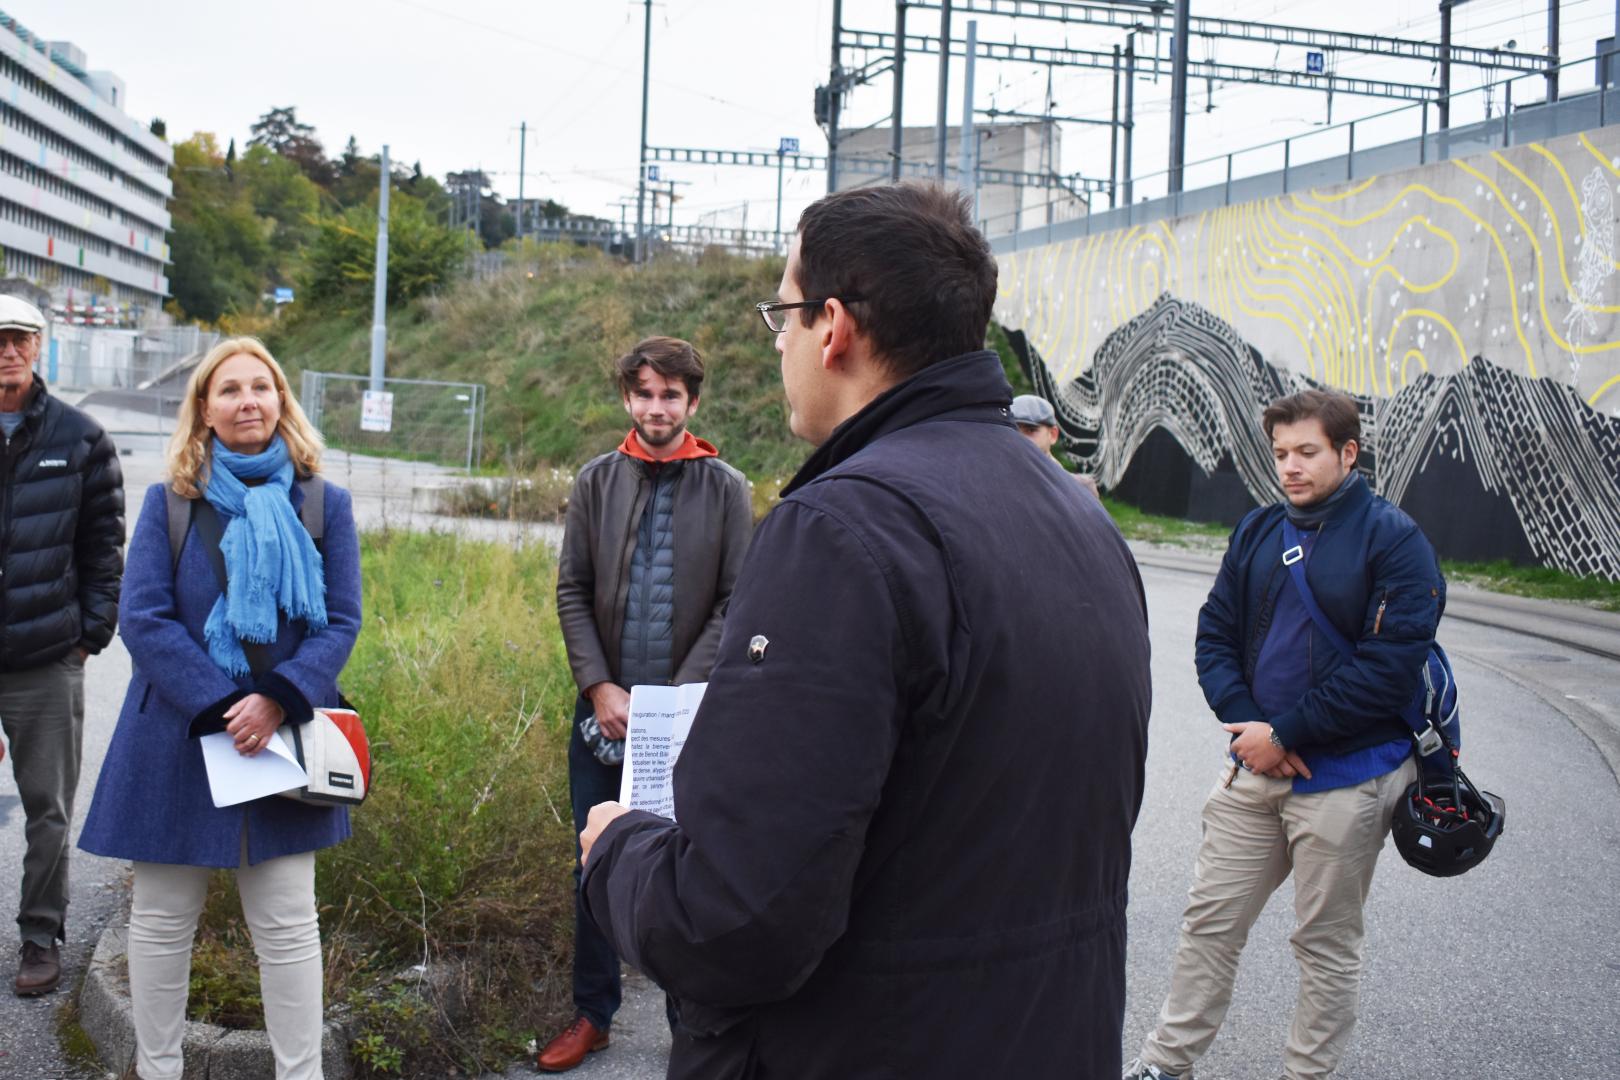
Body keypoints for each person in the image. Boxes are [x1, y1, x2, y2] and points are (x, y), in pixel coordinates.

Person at [578, 183, 1153, 1079]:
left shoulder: (843, 531)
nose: (779, 345)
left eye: (783, 316)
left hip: (871, 1043)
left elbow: (734, 921)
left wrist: (618, 849)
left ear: (833, 327)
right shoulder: (1078, 519)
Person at [1125, 389, 1442, 1080]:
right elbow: (1214, 636)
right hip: (1253, 768)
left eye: (1307, 452)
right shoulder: (1259, 530)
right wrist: (1247, 726)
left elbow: (1388, 672)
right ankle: (1163, 1065)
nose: (1290, 468)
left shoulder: (1395, 541)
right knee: (1209, 927)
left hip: (1348, 780)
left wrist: (1288, 731)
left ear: (1347, 453)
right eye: (1280, 454)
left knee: (1324, 947)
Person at [78, 337, 361, 1080]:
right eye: (230, 390)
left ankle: (300, 1075)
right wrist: (224, 702)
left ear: (281, 401)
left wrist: (273, 700)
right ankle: (158, 1068)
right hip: (177, 735)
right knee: (164, 923)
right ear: (204, 408)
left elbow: (341, 620)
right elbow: (142, 617)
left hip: (283, 737)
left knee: (289, 928)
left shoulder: (323, 503)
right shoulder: (168, 501)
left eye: (261, 388)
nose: (247, 402)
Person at [540, 335, 752, 1072]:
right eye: (644, 393)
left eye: (670, 394)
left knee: (686, 868)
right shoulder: (598, 480)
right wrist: (599, 686)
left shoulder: (726, 487)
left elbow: (735, 601)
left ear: (692, 403)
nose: (655, 406)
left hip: (686, 718)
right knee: (592, 862)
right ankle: (593, 1014)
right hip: (598, 713)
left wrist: (673, 700)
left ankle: (686, 1021)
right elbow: (571, 588)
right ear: (627, 398)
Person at [0, 296, 125, 996]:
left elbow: (104, 544)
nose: (6, 352)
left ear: (39, 346)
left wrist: (86, 638)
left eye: (18, 339)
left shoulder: (80, 438)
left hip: (47, 657)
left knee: (46, 807)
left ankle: (40, 935)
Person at [1010, 392, 1100, 498]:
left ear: (1053, 435)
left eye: (1030, 430)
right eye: (1013, 430)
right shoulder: (996, 483)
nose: (1021, 438)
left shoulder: (1080, 488)